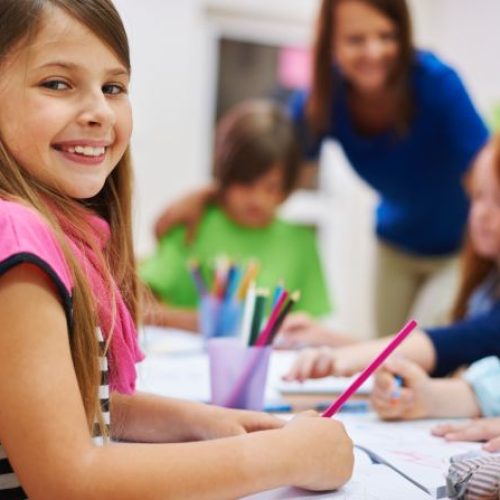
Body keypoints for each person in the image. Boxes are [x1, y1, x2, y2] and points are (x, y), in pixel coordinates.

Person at [0, 1, 354, 498]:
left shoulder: (62, 231)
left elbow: (79, 403)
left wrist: (206, 421)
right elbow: (66, 481)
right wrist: (283, 457)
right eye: (57, 83)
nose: (100, 112)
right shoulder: (15, 234)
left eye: (114, 87)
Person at [153, 0, 489, 338]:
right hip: (396, 242)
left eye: (387, 35)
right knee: (386, 353)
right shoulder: (322, 99)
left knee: (419, 346)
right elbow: (274, 167)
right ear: (331, 43)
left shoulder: (438, 84)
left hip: (458, 246)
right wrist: (212, 193)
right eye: (356, 40)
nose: (374, 51)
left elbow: (486, 173)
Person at [283, 137, 500, 388]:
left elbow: (458, 342)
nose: (482, 212)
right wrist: (328, 340)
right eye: (478, 195)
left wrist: (344, 357)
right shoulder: (485, 284)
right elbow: (444, 356)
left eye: (497, 199)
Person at [140, 99, 332, 329]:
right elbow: (140, 308)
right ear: (226, 175)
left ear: (287, 186)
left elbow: (309, 327)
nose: (256, 199)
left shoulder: (300, 243)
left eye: (270, 187)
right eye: (245, 184)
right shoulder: (193, 224)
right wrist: (208, 324)